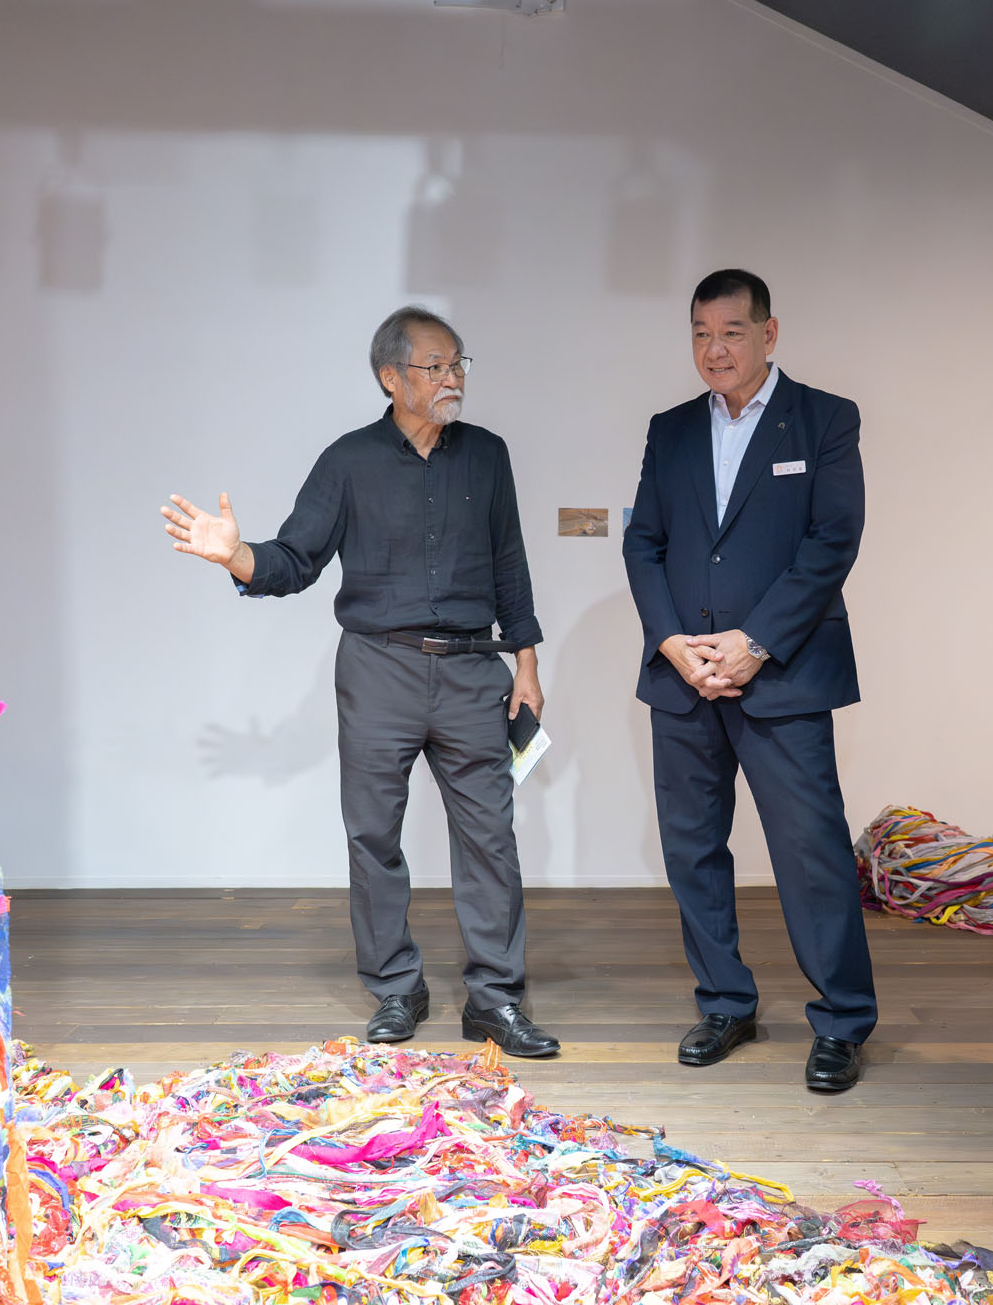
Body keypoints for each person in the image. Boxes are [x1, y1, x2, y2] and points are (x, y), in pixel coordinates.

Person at [160, 307, 560, 1057]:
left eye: (457, 364)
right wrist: (236, 555)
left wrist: (527, 664)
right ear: (391, 378)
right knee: (373, 835)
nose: (451, 379)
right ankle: (397, 988)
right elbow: (295, 560)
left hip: (475, 668)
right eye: (435, 367)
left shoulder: (488, 455)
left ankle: (496, 1000)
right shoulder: (348, 461)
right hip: (379, 669)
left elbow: (511, 562)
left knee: (490, 838)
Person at [622, 268, 878, 1093]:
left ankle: (842, 1021)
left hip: (783, 676)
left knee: (811, 854)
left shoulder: (826, 418)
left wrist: (756, 643)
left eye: (731, 332)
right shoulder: (670, 429)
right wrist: (671, 642)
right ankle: (725, 1002)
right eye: (701, 334)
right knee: (693, 850)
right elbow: (644, 542)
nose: (715, 349)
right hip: (684, 680)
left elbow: (833, 540)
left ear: (769, 334)